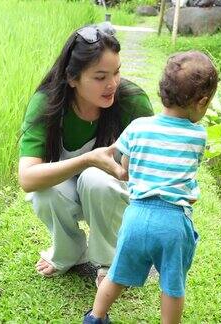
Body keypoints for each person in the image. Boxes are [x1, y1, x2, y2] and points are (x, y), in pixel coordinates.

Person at [83, 51, 219, 324]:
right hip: (172, 221)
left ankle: (96, 317)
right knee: (172, 284)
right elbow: (186, 170)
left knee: (117, 274)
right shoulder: (198, 134)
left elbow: (125, 163)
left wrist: (126, 170)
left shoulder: (138, 126)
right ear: (201, 102)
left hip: (136, 217)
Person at [18, 22, 154, 285]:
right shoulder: (48, 104)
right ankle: (70, 251)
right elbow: (27, 179)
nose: (112, 84)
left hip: (114, 192)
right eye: (100, 77)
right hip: (67, 191)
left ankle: (110, 261)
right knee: (45, 190)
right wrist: (88, 159)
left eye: (116, 73)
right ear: (72, 78)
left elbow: (152, 167)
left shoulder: (132, 102)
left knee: (96, 178)